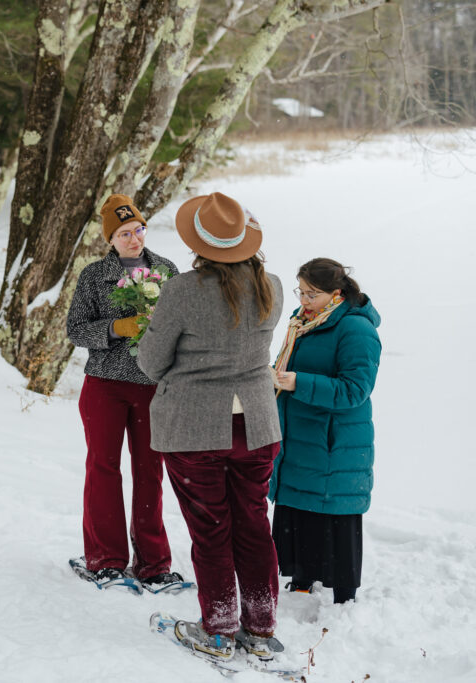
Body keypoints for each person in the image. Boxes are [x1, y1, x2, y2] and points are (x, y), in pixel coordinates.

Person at [136, 192, 285, 661]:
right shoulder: (274, 285)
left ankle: (219, 629)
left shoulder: (182, 290)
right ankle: (261, 629)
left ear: (199, 243)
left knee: (211, 528)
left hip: (195, 427)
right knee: (254, 525)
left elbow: (150, 362)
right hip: (257, 425)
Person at [65, 193, 183, 590]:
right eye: (125, 233)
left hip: (153, 387)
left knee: (150, 472)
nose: (135, 239)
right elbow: (76, 330)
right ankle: (105, 559)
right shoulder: (93, 275)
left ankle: (153, 563)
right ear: (110, 239)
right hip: (105, 386)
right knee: (103, 468)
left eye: (139, 230)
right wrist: (117, 328)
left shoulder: (167, 270)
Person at [270, 258, 381, 604]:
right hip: (301, 435)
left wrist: (298, 383)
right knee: (300, 510)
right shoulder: (303, 322)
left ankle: (343, 595)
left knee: (334, 516)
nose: (303, 300)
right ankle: (302, 578)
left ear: (336, 294)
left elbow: (355, 390)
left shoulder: (356, 329)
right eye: (300, 292)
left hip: (334, 441)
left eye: (311, 294)